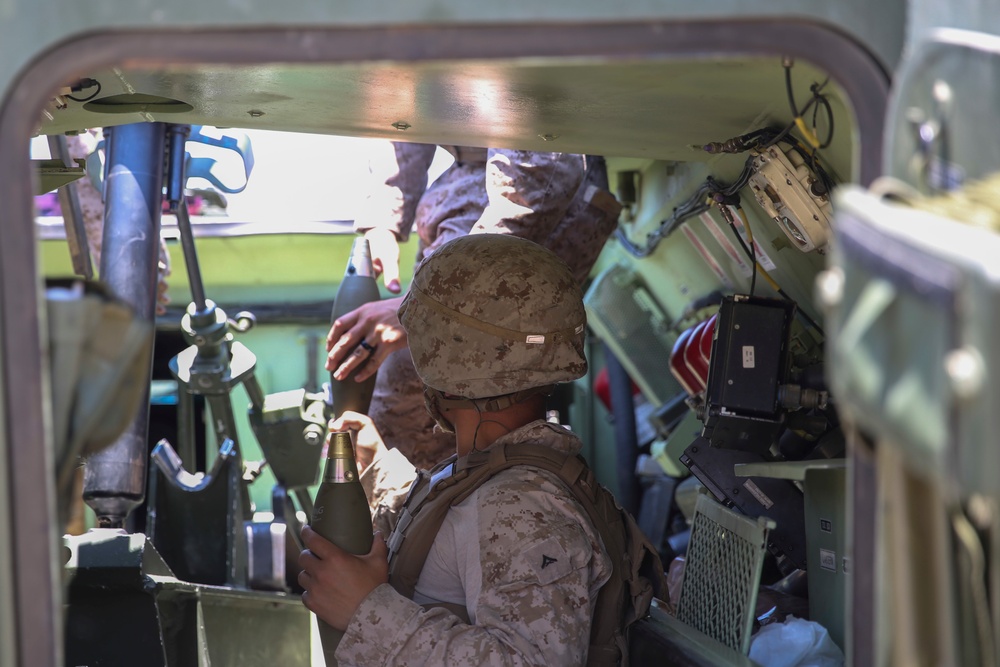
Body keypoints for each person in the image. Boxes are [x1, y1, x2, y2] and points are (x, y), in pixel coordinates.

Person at [299, 234, 652, 665]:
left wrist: (366, 611)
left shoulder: (521, 508)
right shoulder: (497, 471)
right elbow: (456, 533)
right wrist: (381, 466)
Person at [325, 142, 621, 470]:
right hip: (463, 214)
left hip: (521, 215)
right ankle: (431, 511)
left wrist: (426, 307)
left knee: (432, 403)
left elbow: (542, 172)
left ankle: (459, 511)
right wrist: (383, 221)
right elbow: (402, 121)